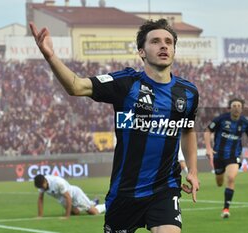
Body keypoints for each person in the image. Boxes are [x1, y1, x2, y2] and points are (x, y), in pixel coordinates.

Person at [30, 18, 199, 233]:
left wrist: (193, 171)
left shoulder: (188, 92)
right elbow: (76, 86)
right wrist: (50, 56)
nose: (163, 45)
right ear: (142, 51)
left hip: (165, 187)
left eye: (168, 42)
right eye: (155, 41)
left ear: (174, 50)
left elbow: (188, 130)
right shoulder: (126, 83)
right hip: (125, 192)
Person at [204, 98, 248, 218]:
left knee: (231, 178)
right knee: (219, 182)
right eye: (234, 105)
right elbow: (207, 131)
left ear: (242, 108)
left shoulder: (245, 123)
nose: (236, 107)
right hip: (218, 155)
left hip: (234, 155)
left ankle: (226, 209)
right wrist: (208, 148)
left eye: (239, 105)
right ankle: (219, 175)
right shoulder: (221, 119)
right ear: (230, 107)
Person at [34, 174, 106, 218]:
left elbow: (68, 197)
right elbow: (40, 199)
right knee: (76, 212)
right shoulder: (41, 184)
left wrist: (67, 216)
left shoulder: (58, 183)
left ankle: (107, 205)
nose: (41, 188)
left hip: (75, 195)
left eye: (42, 186)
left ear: (45, 181)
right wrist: (40, 215)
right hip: (63, 199)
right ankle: (93, 202)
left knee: (93, 212)